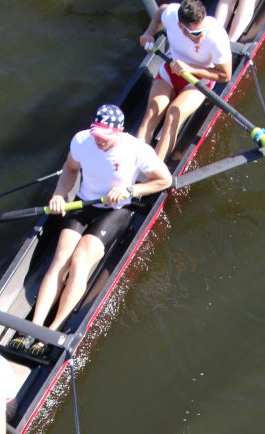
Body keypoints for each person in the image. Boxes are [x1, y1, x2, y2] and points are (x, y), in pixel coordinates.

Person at [12, 104, 171, 349]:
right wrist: (59, 194)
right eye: (96, 135)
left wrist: (131, 190)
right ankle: (33, 326)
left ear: (119, 132)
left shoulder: (137, 150)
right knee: (60, 259)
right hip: (84, 204)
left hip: (117, 210)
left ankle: (50, 333)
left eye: (105, 138)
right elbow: (70, 168)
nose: (99, 141)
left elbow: (164, 179)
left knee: (80, 260)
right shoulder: (82, 140)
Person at [136, 0, 232, 161]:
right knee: (152, 112)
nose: (201, 36)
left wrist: (191, 68)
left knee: (173, 115)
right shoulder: (172, 15)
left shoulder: (216, 36)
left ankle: (154, 174)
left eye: (203, 30)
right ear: (180, 26)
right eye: (195, 33)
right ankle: (131, 167)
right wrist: (149, 32)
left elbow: (225, 75)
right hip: (171, 68)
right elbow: (161, 11)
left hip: (199, 79)